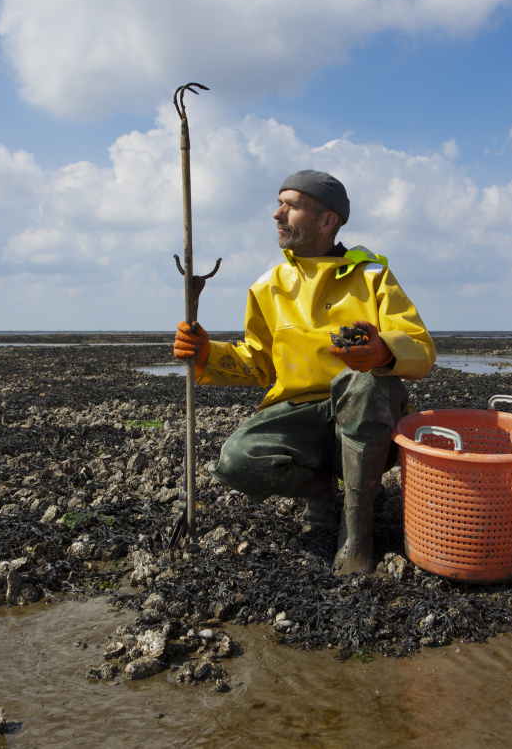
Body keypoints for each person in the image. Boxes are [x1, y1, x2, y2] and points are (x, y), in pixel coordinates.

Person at [173, 170, 436, 575]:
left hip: (367, 420)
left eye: (291, 206)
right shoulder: (268, 285)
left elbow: (421, 350)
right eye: (279, 204)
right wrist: (208, 353)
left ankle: (356, 535)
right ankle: (323, 493)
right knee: (235, 462)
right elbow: (258, 363)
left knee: (362, 382)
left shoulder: (372, 276)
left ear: (327, 220)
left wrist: (382, 351)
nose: (277, 215)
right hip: (298, 416)